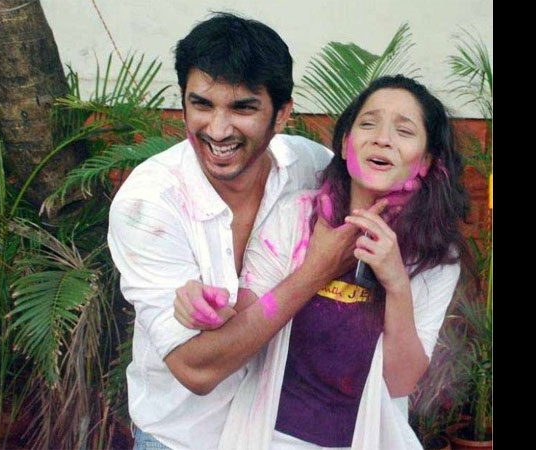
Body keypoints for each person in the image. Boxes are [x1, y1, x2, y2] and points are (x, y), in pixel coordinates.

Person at [108, 12, 379, 450]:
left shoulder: (312, 170)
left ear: (282, 114)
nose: (218, 130)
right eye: (202, 104)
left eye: (243, 108)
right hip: (180, 440)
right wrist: (317, 270)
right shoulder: (149, 203)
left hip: (283, 438)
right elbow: (195, 369)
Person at [177, 75, 473, 449]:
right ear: (346, 145)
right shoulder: (295, 218)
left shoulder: (434, 258)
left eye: (404, 131)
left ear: (427, 161)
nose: (382, 138)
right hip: (268, 439)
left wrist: (396, 282)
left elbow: (400, 382)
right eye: (369, 124)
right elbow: (245, 330)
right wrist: (207, 309)